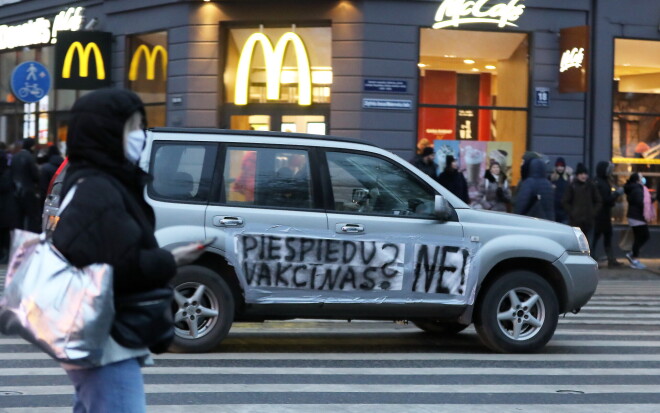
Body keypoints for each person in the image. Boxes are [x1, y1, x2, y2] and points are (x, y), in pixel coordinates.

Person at [51, 88, 205, 413]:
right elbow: (109, 266)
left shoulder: (97, 181)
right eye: (132, 127)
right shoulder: (98, 190)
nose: (141, 136)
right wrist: (170, 260)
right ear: (107, 131)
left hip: (103, 334)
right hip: (107, 338)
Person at [592, 161, 624, 268]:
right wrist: (616, 194)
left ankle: (610, 259)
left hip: (604, 215)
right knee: (596, 238)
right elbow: (604, 199)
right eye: (609, 169)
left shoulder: (602, 181)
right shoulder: (600, 182)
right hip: (600, 215)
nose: (611, 171)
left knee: (605, 237)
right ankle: (594, 259)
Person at [561, 163, 601, 242]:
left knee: (588, 246)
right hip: (576, 222)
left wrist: (593, 212)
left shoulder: (591, 186)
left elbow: (598, 201)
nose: (584, 176)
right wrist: (572, 212)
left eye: (585, 174)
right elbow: (565, 201)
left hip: (589, 222)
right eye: (581, 174)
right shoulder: (572, 186)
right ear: (577, 175)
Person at [10, 137, 41, 232]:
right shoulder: (30, 157)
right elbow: (35, 175)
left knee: (19, 217)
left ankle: (17, 237)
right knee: (31, 216)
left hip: (16, 191)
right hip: (28, 190)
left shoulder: (14, 157)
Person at [623, 173, 649, 269]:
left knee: (641, 237)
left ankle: (633, 255)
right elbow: (640, 202)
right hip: (637, 217)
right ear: (637, 180)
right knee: (642, 237)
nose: (643, 178)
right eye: (641, 177)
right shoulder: (637, 189)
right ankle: (633, 258)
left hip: (636, 217)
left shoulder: (635, 188)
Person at [0, 148, 18, 263]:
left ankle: (4, 254)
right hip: (6, 208)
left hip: (5, 208)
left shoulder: (7, 174)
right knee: (5, 233)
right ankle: (5, 254)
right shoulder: (9, 173)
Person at [550, 157, 572, 223]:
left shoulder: (569, 178)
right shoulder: (551, 178)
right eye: (558, 166)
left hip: (565, 212)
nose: (560, 168)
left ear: (564, 167)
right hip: (554, 211)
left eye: (561, 166)